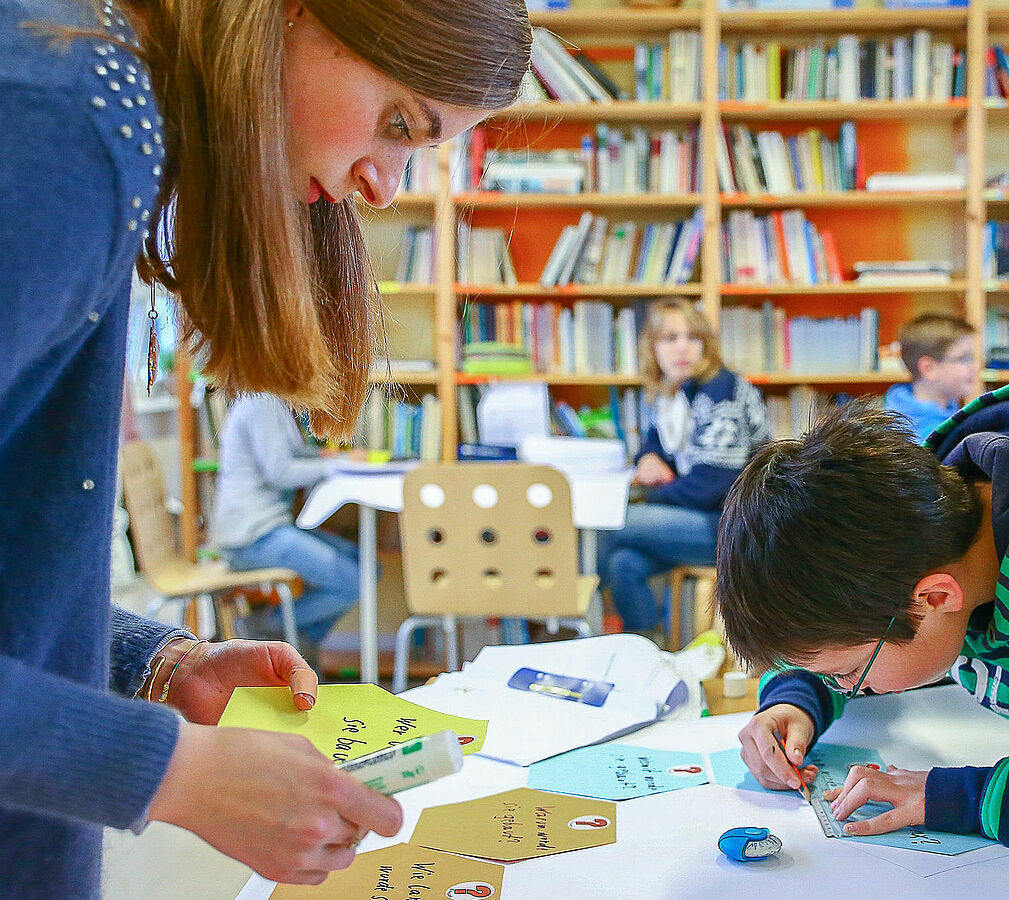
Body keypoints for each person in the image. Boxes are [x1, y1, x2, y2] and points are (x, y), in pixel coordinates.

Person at [0, 0, 528, 893]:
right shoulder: (73, 118)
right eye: (399, 123)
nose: (386, 186)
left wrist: (146, 661)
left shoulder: (93, 97)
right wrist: (174, 770)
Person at [716, 354, 1009, 892]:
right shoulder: (918, 528)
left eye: (848, 673)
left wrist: (966, 798)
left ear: (935, 597)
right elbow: (860, 628)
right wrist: (795, 696)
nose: (847, 689)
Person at [599, 299, 771, 639]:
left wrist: (649, 496)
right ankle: (648, 650)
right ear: (653, 348)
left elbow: (714, 482)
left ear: (706, 345)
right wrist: (648, 458)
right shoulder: (673, 394)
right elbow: (654, 442)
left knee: (613, 524)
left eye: (693, 337)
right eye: (670, 337)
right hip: (702, 521)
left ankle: (580, 621)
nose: (683, 348)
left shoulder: (720, 390)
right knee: (624, 564)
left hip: (738, 530)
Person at [213, 394, 359, 657]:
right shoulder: (260, 401)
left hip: (269, 529)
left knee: (364, 564)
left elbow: (288, 453)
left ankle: (299, 639)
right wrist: (337, 465)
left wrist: (324, 456)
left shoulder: (273, 401)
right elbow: (280, 471)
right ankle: (263, 626)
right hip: (252, 537)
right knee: (354, 582)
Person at [884, 313, 978, 442]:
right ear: (929, 368)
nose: (975, 366)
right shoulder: (916, 436)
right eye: (964, 359)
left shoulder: (948, 409)